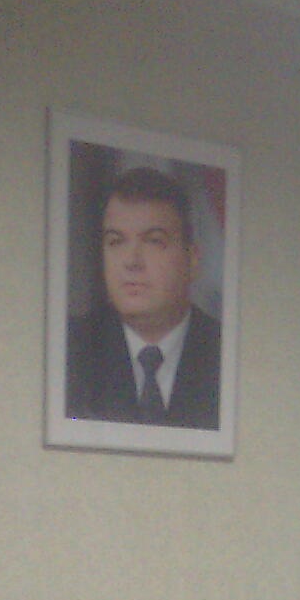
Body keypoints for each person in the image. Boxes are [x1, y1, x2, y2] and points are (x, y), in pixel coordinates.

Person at [66, 166, 221, 429]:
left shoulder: (224, 353)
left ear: (192, 260)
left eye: (153, 241)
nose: (132, 261)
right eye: (116, 242)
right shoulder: (71, 349)